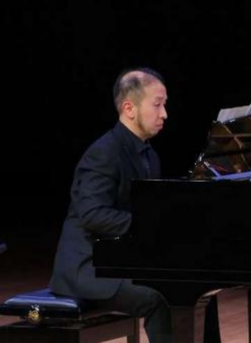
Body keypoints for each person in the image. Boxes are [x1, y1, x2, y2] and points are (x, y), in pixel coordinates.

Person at [50, 67, 173, 342]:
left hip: (120, 262)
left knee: (200, 292)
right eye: (157, 104)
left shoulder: (150, 155)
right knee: (158, 298)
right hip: (88, 268)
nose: (164, 113)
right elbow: (93, 215)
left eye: (164, 104)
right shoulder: (103, 153)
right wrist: (149, 226)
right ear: (129, 108)